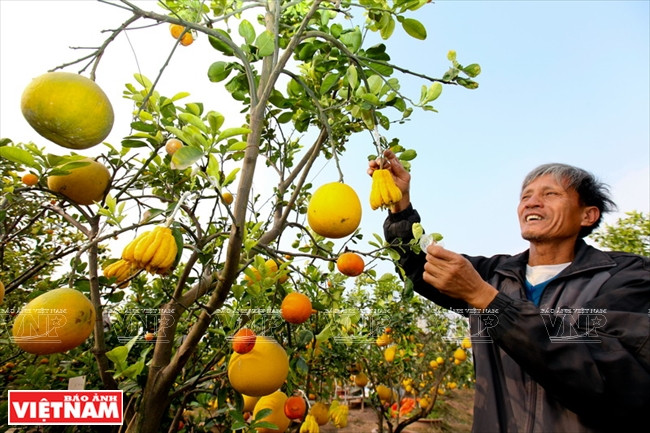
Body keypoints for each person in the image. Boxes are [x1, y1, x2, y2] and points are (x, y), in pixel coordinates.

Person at [369, 150, 650, 432]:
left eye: (550, 194)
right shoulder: (496, 274)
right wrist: (400, 206)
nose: (532, 203)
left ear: (587, 215)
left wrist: (486, 299)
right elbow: (420, 268)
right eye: (525, 196)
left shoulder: (623, 277)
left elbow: (603, 375)